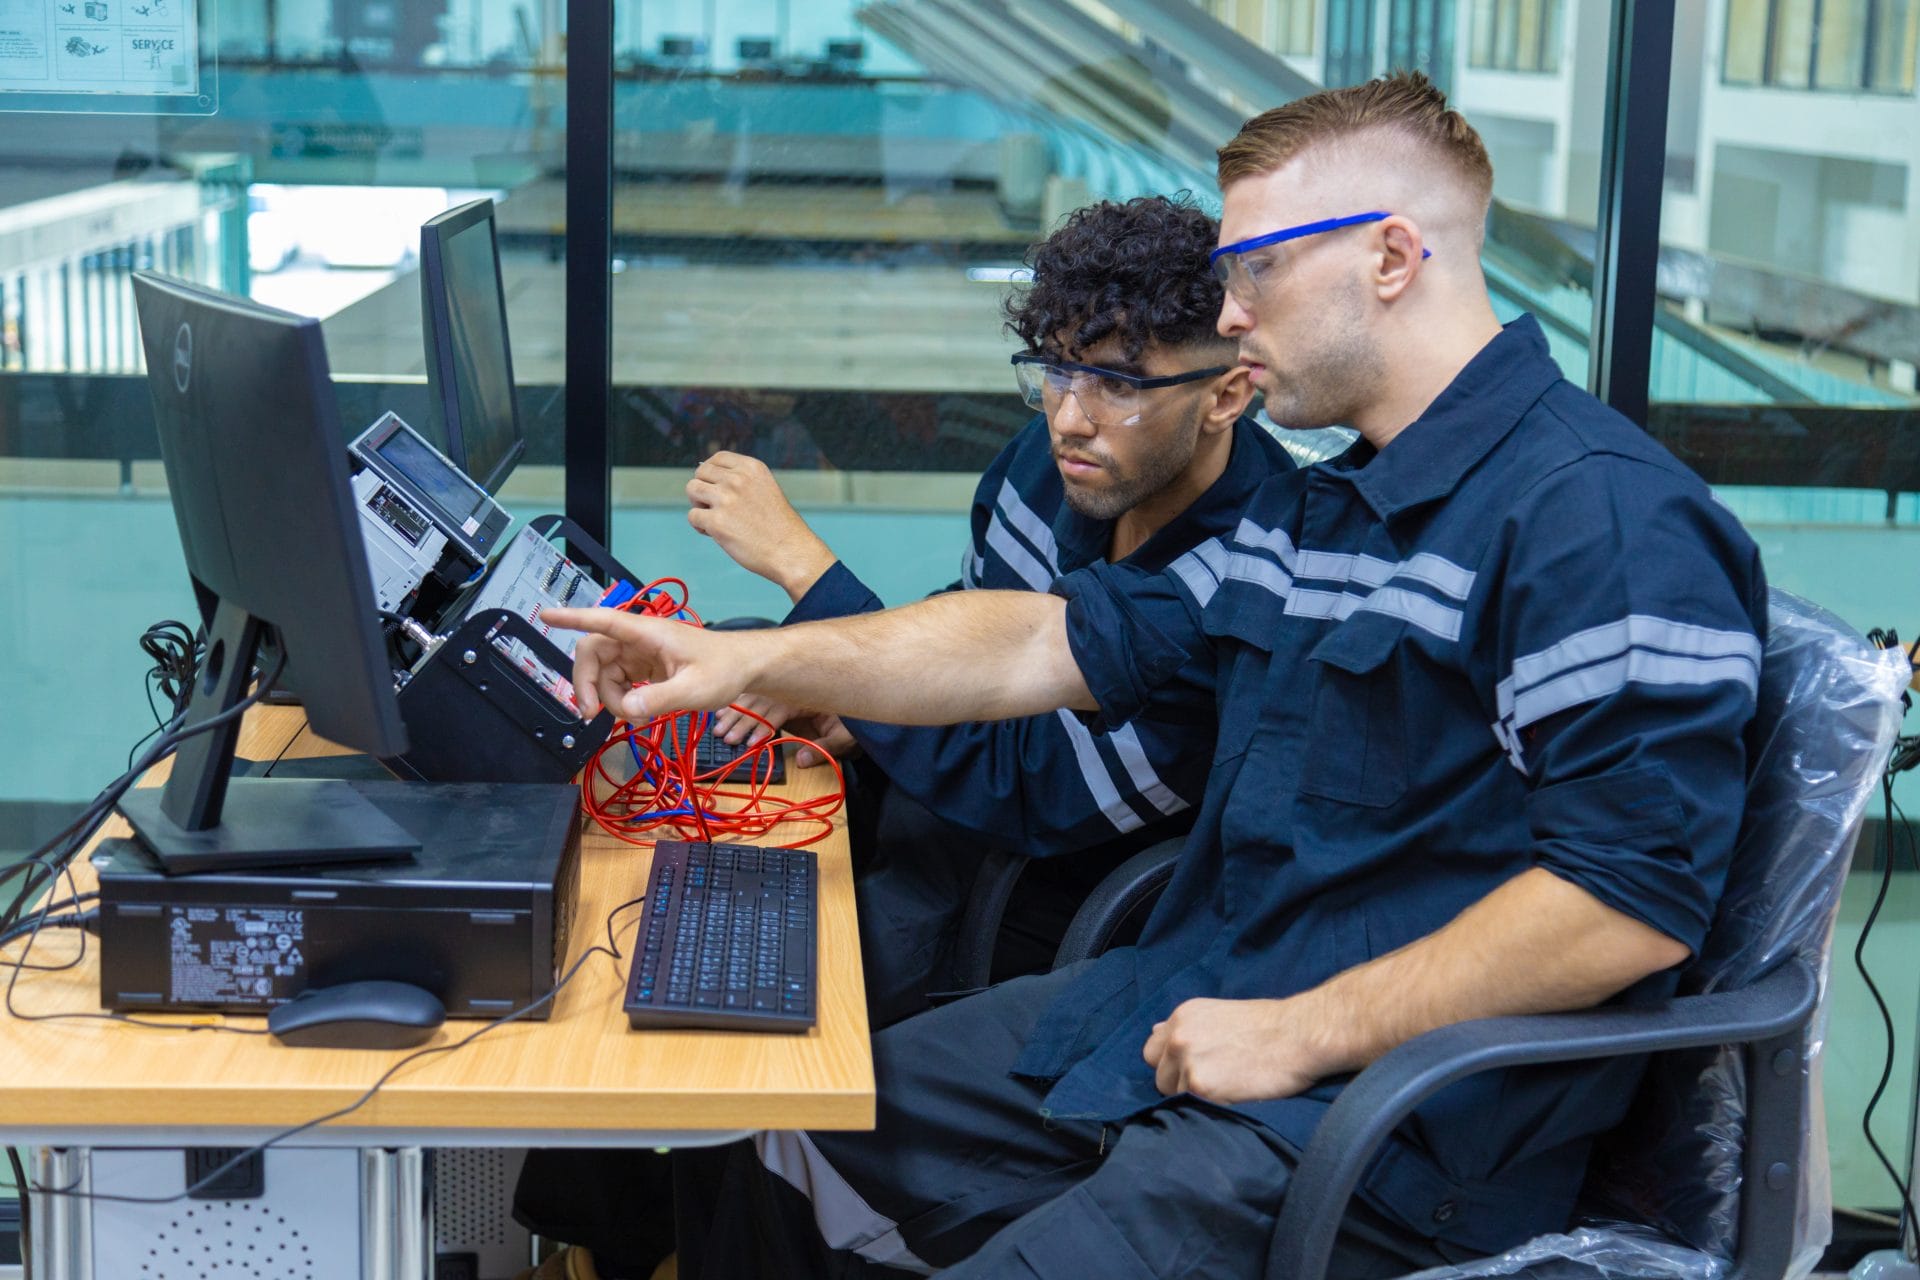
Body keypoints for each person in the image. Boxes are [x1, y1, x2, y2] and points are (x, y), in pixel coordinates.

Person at [546, 72, 1768, 1278]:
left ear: (1392, 258)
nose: (1231, 315)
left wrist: (1301, 1031)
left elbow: (1624, 899)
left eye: (1257, 270)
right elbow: (1038, 641)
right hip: (1178, 1002)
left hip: (1374, 1128)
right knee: (777, 1116)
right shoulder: (1328, 505)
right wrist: (749, 656)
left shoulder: (1599, 519)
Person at [685, 194, 1294, 1026]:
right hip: (945, 798)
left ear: (1226, 397)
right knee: (726, 708)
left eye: (1117, 384)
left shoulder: (1242, 581)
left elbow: (1025, 782)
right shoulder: (1065, 459)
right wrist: (848, 691)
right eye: (1057, 370)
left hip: (1021, 885)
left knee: (758, 992)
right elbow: (973, 617)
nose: (1069, 419)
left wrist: (806, 573)